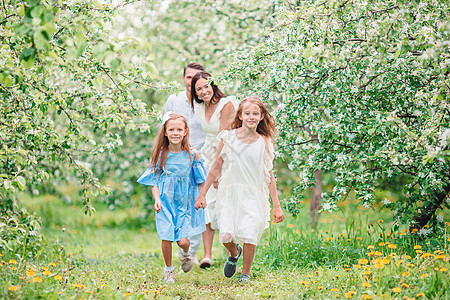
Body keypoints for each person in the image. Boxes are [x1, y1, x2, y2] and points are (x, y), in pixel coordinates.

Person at [195, 96, 285, 283]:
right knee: (226, 235)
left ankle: (246, 273)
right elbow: (216, 167)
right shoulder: (228, 137)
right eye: (247, 113)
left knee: (250, 232)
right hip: (229, 193)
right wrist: (203, 194)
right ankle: (234, 253)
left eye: (256, 114)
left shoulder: (264, 142)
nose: (251, 117)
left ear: (261, 117)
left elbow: (269, 176)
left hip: (253, 194)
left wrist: (276, 205)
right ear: (241, 116)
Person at [137, 113, 208, 283]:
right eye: (171, 129)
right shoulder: (161, 154)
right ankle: (169, 270)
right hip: (165, 202)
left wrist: (201, 197)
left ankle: (185, 253)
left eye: (179, 129)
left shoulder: (192, 154)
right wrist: (157, 199)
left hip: (184, 203)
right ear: (166, 132)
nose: (175, 133)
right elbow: (155, 182)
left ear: (185, 132)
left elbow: (201, 180)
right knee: (166, 236)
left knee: (183, 241)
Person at [190, 71, 237, 268]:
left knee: (225, 201)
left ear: (213, 85)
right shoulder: (200, 106)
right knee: (205, 201)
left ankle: (231, 249)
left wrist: (217, 171)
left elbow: (224, 139)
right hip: (208, 152)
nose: (203, 91)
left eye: (205, 86)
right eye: (198, 89)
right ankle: (207, 254)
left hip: (227, 154)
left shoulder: (226, 105)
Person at [164, 62, 206, 264]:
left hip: (199, 158)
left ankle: (190, 252)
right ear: (183, 79)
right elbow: (164, 127)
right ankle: (182, 244)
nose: (192, 81)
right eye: (189, 77)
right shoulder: (174, 99)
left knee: (196, 204)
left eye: (196, 77)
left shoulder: (205, 100)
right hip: (176, 158)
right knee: (176, 203)